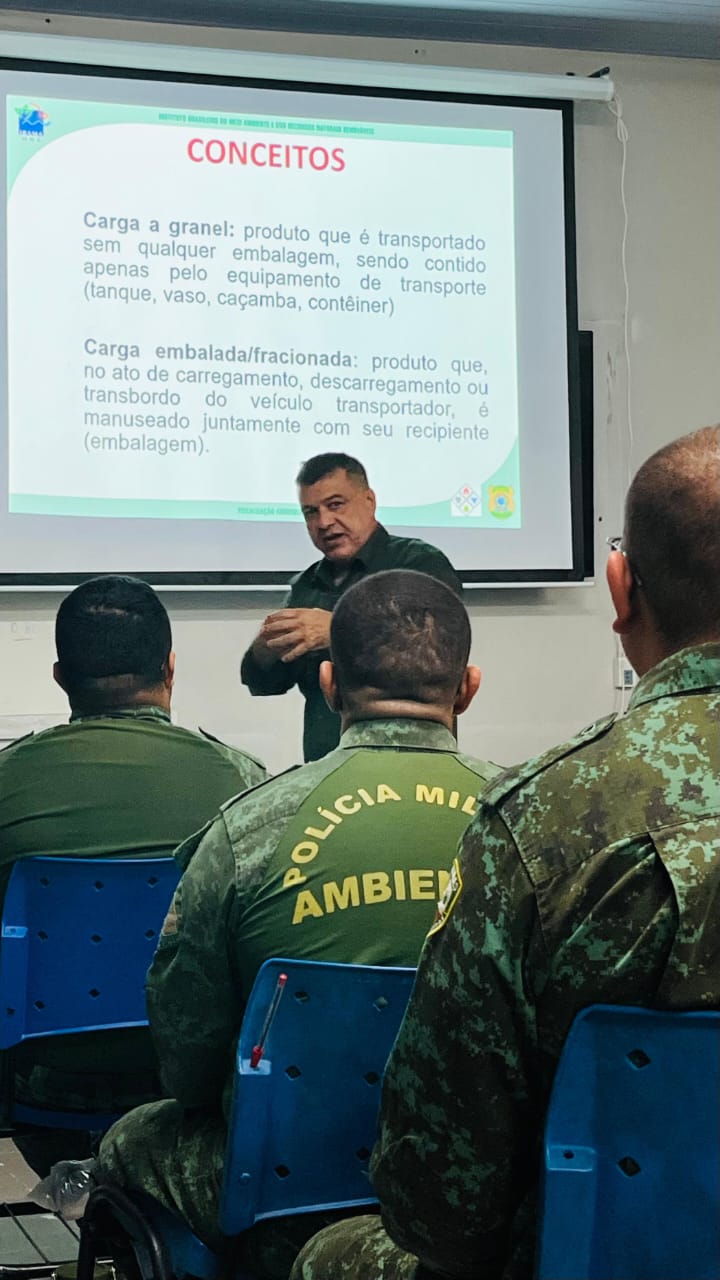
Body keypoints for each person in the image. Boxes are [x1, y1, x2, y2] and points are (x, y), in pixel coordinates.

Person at [291, 422, 720, 1280]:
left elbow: (445, 1197)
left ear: (620, 586)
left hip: (597, 1249)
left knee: (326, 1256)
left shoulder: (540, 818)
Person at [97, 569, 501, 1278]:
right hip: (475, 1206)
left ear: (329, 685)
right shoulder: (525, 821)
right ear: (467, 687)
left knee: (133, 1137)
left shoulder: (246, 831)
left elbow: (188, 1060)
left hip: (284, 1197)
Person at [0, 575, 266, 1172]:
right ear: (170, 669)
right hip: (185, 1086)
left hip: (40, 1082)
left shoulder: (6, 781)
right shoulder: (245, 785)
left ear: (61, 677)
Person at [241, 453, 462, 761]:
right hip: (328, 768)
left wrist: (335, 630)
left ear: (369, 501)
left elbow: (434, 645)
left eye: (335, 505)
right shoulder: (307, 585)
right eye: (310, 512)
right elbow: (265, 684)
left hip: (412, 759)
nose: (324, 522)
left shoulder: (419, 562)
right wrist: (264, 649)